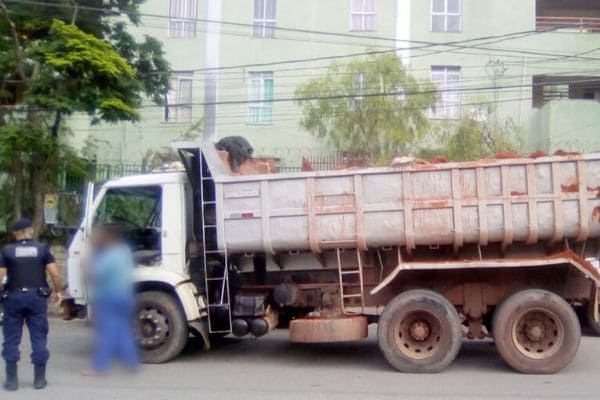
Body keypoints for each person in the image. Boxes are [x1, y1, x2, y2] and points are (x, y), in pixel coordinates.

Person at [0, 218, 63, 391]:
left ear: (15, 233)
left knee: (11, 338)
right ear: (30, 231)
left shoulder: (7, 251)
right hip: (37, 298)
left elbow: (0, 275)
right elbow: (55, 274)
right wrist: (58, 291)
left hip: (13, 298)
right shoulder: (42, 249)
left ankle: (12, 381)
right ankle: (39, 380)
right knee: (39, 337)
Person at [85, 224, 138, 375]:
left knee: (106, 332)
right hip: (125, 295)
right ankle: (131, 361)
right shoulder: (125, 251)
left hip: (109, 297)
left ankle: (99, 366)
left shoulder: (110, 255)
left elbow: (94, 275)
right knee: (122, 329)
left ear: (109, 237)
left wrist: (87, 261)